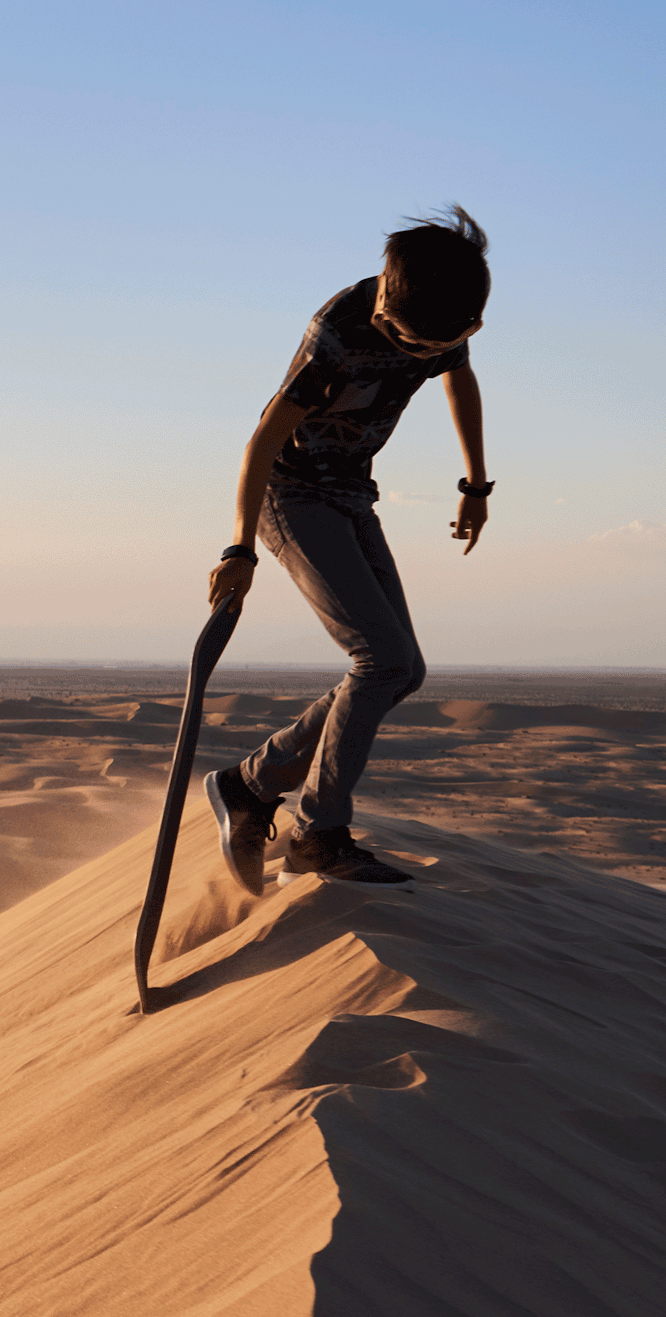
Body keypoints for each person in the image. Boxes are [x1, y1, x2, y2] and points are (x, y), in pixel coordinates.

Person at [199, 206, 493, 890]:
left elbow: (460, 380)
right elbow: (263, 439)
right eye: (391, 329)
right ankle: (317, 833)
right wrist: (239, 547)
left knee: (403, 669)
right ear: (384, 296)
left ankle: (250, 784)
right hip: (290, 494)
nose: (398, 343)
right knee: (379, 659)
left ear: (466, 328)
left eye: (414, 344)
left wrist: (475, 483)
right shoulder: (335, 333)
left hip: (353, 492)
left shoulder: (445, 314)